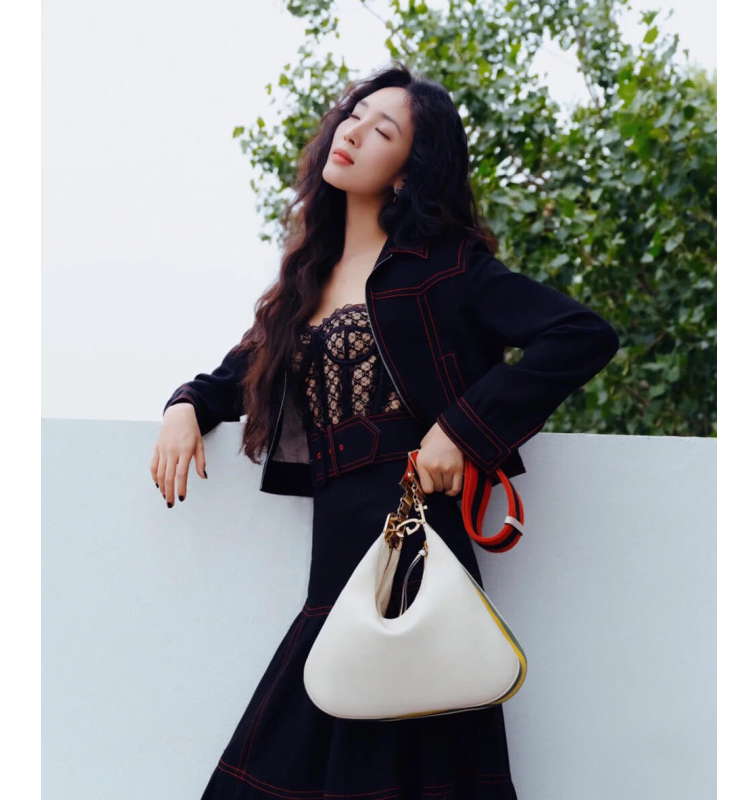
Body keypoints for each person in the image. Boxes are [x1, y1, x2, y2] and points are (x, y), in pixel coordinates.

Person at [151, 62, 619, 800]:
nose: (354, 131)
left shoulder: (446, 267)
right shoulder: (305, 282)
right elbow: (232, 377)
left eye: (383, 130)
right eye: (354, 116)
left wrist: (461, 431)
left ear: (406, 172)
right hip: (336, 564)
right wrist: (184, 406)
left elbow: (581, 334)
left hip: (420, 547)